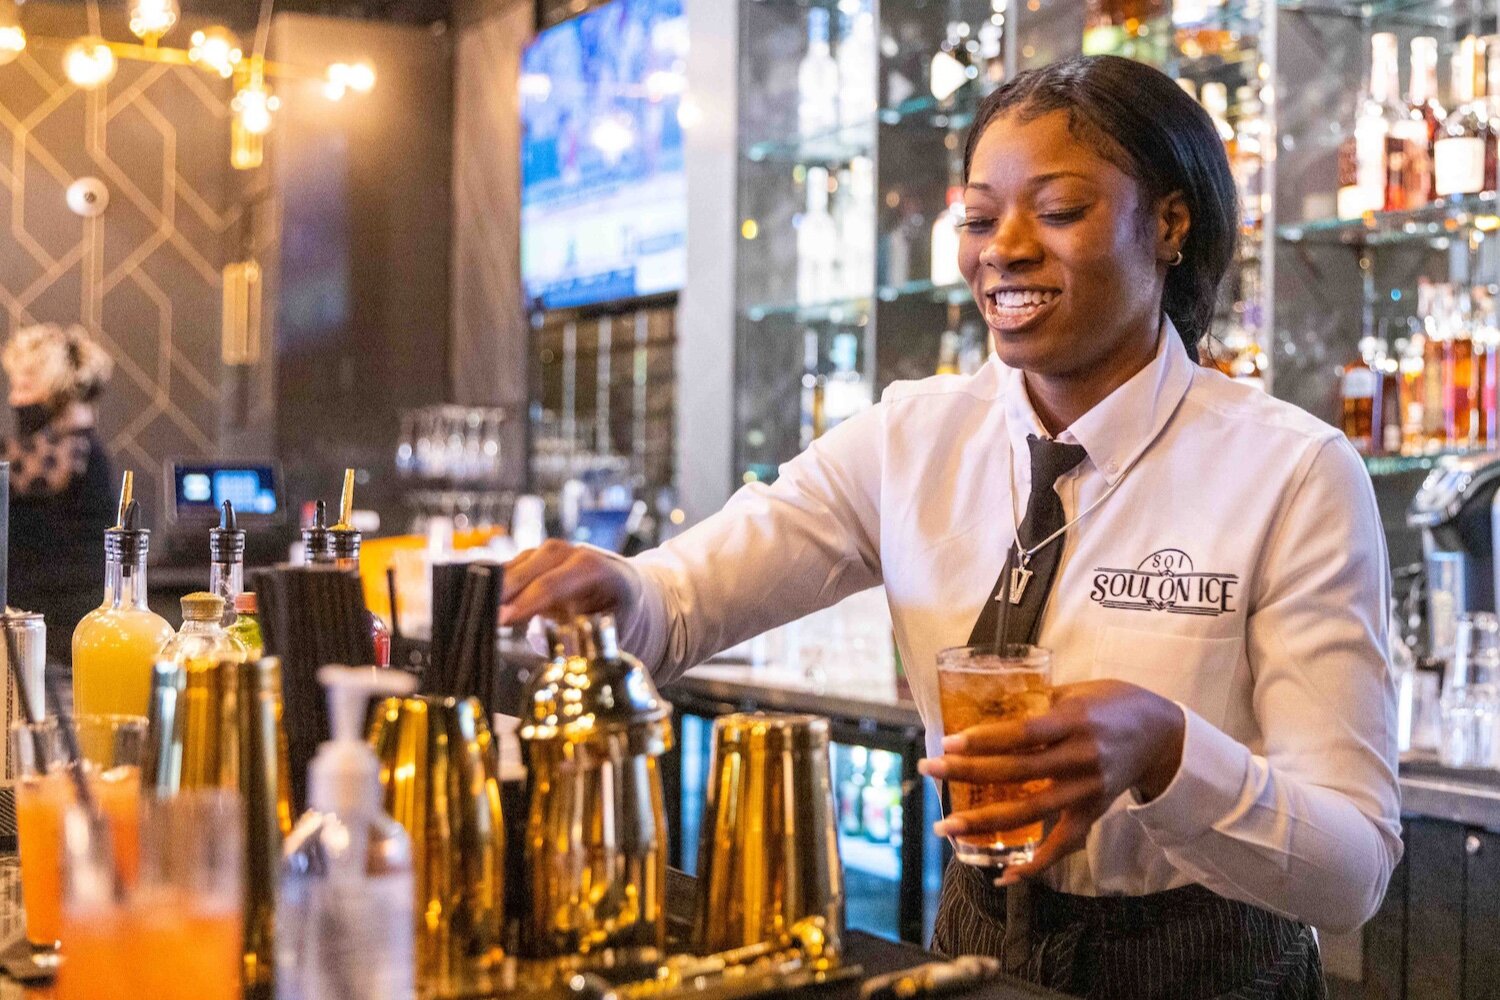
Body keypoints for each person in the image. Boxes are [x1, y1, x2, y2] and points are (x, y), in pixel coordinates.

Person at [501, 55, 1398, 999]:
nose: (1002, 248)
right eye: (977, 218)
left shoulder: (1291, 471)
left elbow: (1352, 871)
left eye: (1057, 212)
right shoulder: (912, 437)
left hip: (1208, 965)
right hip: (972, 942)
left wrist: (1171, 748)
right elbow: (683, 600)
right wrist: (621, 592)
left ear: (1170, 223)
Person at [2, 323, 116, 666]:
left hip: (59, 638)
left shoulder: (71, 457)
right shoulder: (66, 449)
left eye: (24, 386)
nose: (13, 399)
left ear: (54, 394)